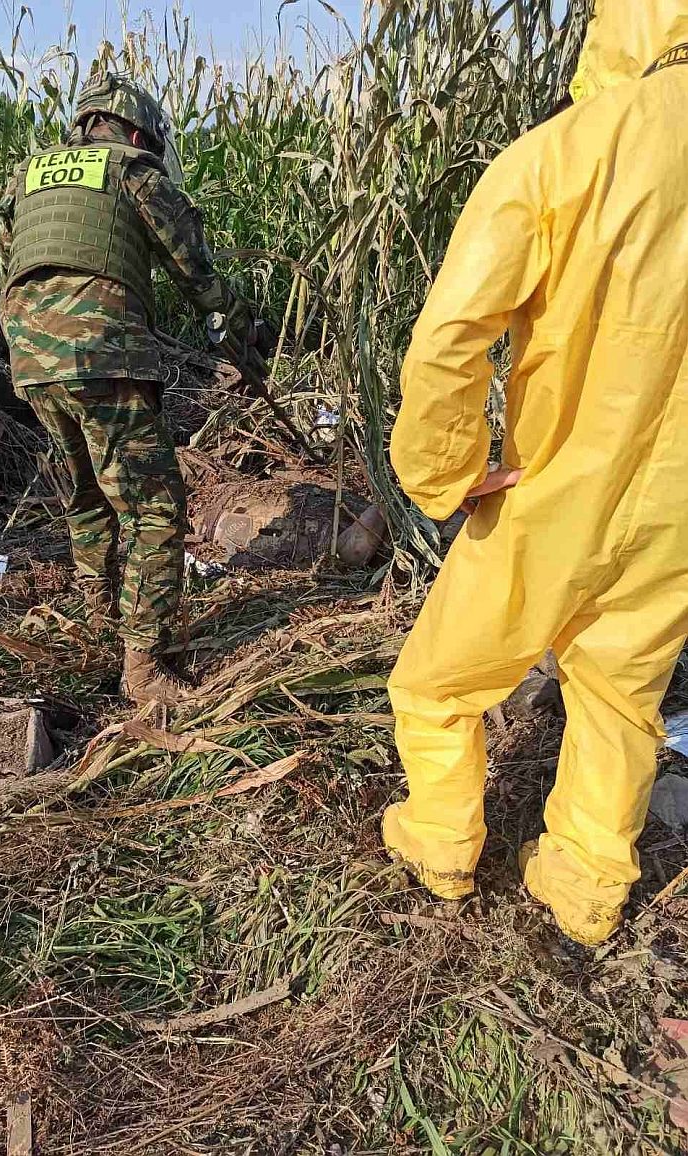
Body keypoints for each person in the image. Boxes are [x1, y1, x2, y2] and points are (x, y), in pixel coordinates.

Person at [383, 0, 688, 946]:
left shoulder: (566, 151)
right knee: (622, 699)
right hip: (679, 512)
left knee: (438, 683)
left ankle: (441, 843)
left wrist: (445, 473)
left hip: (552, 488)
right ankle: (587, 889)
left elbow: (450, 335)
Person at [0, 65, 261, 706]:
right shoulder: (135, 172)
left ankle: (98, 626)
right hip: (102, 353)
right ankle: (145, 666)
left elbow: (16, 265)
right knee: (152, 506)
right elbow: (195, 272)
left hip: (32, 362)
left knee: (88, 494)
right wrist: (239, 328)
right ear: (139, 133)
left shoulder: (26, 177)